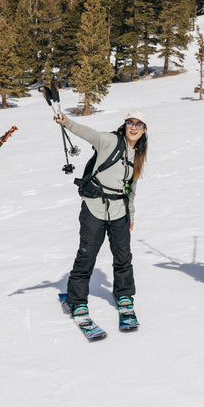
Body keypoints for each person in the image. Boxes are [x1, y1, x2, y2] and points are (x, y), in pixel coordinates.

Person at [56, 110, 148, 322]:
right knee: (87, 255)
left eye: (139, 125)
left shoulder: (138, 156)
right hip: (94, 207)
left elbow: (130, 189)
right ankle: (77, 301)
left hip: (120, 212)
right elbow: (89, 134)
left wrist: (131, 214)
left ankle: (124, 295)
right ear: (124, 125)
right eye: (130, 123)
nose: (134, 127)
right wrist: (66, 122)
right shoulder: (110, 141)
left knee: (123, 256)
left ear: (144, 130)